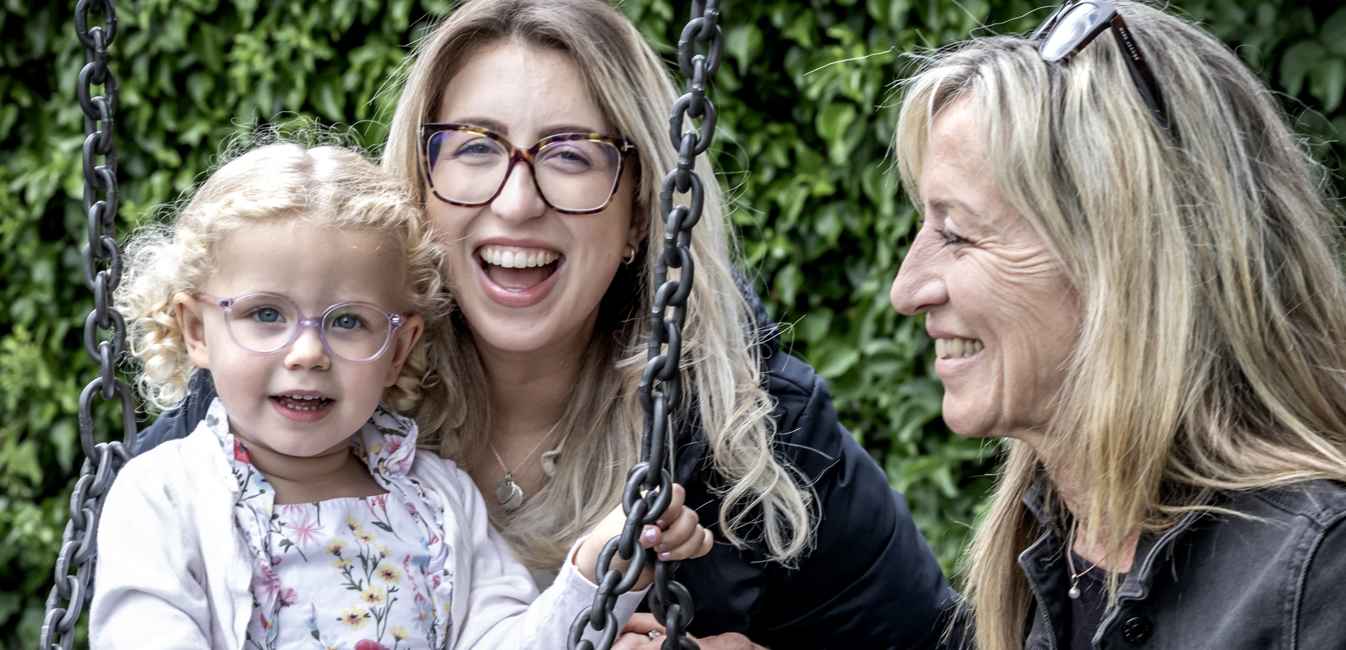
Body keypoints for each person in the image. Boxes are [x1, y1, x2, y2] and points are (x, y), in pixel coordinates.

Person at [134, 1, 953, 648]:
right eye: (475, 148)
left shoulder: (752, 422)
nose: (518, 202)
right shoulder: (278, 396)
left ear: (640, 212)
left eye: (570, 154)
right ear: (419, 188)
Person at [92, 142, 712, 649]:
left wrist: (595, 571)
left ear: (398, 347)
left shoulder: (440, 502)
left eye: (348, 321)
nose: (307, 352)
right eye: (265, 314)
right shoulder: (164, 498)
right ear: (197, 330)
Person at [889, 2, 1346, 648]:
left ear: (1129, 263)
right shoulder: (1046, 543)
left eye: (958, 233)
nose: (906, 290)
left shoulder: (1318, 577)